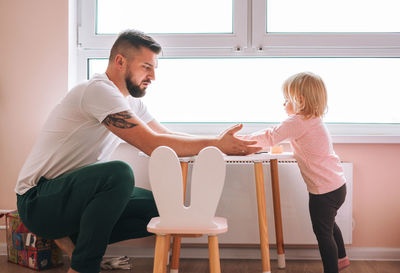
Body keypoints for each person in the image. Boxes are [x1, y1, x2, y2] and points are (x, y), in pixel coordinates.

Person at [15, 30, 261, 273]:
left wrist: (221, 142)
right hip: (38, 201)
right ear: (120, 61)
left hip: (73, 196)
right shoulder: (97, 91)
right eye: (146, 67)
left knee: (165, 210)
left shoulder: (130, 102)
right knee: (118, 173)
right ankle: (83, 267)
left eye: (154, 68)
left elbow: (167, 137)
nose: (152, 76)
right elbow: (153, 144)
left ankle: (78, 241)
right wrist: (217, 144)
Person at [241, 72, 350, 273]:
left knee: (322, 232)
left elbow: (272, 136)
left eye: (286, 99)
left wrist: (244, 141)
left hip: (323, 192)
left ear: (299, 100)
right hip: (337, 186)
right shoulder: (315, 120)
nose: (283, 104)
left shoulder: (297, 121)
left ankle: (332, 269)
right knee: (330, 224)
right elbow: (309, 149)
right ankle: (341, 258)